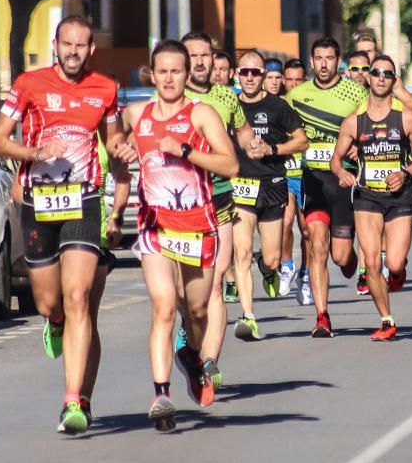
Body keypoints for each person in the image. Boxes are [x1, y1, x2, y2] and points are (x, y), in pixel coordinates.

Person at [0, 15, 129, 434]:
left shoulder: (105, 88)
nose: (73, 52)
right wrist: (36, 151)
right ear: (55, 45)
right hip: (38, 204)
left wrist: (126, 151)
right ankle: (53, 323)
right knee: (51, 303)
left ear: (91, 50)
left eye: (81, 46)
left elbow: (114, 141)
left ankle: (73, 402)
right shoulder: (29, 84)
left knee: (79, 296)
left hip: (83, 202)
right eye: (66, 44)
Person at [119, 40, 240, 430]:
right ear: (152, 75)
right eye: (163, 71)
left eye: (176, 71)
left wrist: (186, 150)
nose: (169, 78)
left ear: (187, 75)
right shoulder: (137, 113)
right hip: (155, 227)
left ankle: (190, 356)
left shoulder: (201, 114)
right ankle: (161, 395)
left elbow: (231, 164)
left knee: (198, 310)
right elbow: (112, 137)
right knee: (164, 306)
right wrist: (121, 150)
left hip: (199, 227)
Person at [176, 32, 261, 389]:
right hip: (181, 203)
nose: (199, 62)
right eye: (192, 55)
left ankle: (209, 363)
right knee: (185, 293)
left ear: (214, 60)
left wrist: (252, 144)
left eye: (205, 55)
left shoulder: (226, 96)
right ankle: (189, 329)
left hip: (221, 197)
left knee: (215, 284)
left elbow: (241, 132)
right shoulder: (169, 98)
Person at [331, 56, 412, 340]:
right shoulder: (354, 122)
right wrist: (341, 173)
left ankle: (399, 273)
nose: (380, 77)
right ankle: (387, 320)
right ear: (369, 78)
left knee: (395, 263)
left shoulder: (406, 117)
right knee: (373, 263)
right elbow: (335, 160)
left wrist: (406, 172)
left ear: (393, 80)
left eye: (387, 74)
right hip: (366, 196)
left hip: (399, 196)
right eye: (376, 72)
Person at [287, 38, 369, 337]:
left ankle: (352, 264)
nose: (323, 64)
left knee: (340, 256)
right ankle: (322, 316)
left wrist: (359, 147)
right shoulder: (297, 95)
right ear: (311, 61)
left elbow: (370, 128)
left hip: (344, 181)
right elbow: (285, 129)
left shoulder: (355, 92)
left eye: (329, 58)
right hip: (314, 180)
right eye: (318, 58)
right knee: (316, 244)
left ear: (339, 61)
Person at [230, 51, 308, 341]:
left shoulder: (277, 106)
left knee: (273, 258)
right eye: (244, 72)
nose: (249, 77)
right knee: (242, 252)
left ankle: (268, 268)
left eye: (255, 72)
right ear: (237, 75)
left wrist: (273, 150)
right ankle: (248, 316)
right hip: (240, 187)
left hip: (273, 184)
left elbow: (302, 141)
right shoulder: (229, 105)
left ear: (263, 75)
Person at [279, 59, 312, 301]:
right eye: (288, 79)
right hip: (287, 174)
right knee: (285, 221)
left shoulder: (312, 105)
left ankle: (306, 274)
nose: (292, 84)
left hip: (309, 174)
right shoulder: (277, 106)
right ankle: (287, 264)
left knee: (308, 230)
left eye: (297, 80)